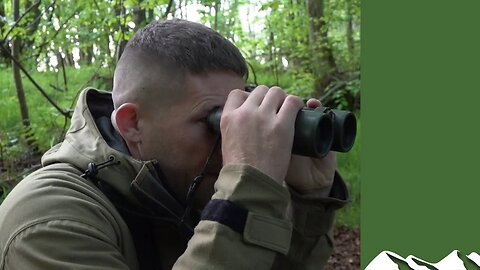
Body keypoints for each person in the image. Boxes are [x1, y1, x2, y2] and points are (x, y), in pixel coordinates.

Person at [0, 19, 348, 269]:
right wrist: (249, 189)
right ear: (132, 124)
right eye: (214, 120)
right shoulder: (50, 223)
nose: (231, 141)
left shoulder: (176, 187)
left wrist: (309, 201)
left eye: (235, 116)